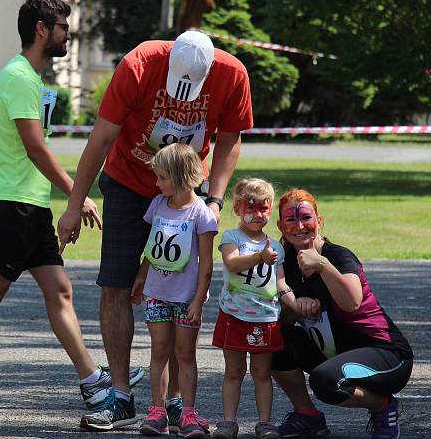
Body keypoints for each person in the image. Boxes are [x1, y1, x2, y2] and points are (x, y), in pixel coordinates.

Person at [0, 0, 142, 413]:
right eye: (62, 27)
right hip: (13, 204)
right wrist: (77, 193)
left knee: (60, 290)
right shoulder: (20, 77)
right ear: (41, 29)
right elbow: (35, 148)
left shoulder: (30, 77)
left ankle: (94, 382)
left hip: (30, 204)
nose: (68, 35)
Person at [58, 30, 252, 429]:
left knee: (180, 296)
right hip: (128, 182)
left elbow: (230, 139)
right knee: (115, 286)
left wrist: (213, 200)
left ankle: (176, 402)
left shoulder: (232, 75)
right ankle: (122, 396)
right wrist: (74, 206)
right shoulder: (139, 65)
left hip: (184, 190)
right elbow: (100, 140)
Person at [272, 189, 413, 439]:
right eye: (291, 219)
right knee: (272, 342)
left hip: (388, 355)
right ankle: (307, 416)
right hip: (337, 352)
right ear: (280, 226)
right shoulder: (287, 263)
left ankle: (383, 406)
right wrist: (294, 306)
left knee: (325, 381)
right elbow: (282, 319)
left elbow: (352, 302)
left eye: (306, 217)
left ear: (319, 220)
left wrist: (322, 265)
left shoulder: (337, 256)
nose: (299, 225)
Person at [111, 144, 216, 436]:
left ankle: (188, 413)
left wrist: (198, 298)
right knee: (158, 350)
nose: (156, 183)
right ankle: (157, 411)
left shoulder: (201, 214)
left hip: (186, 298)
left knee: (185, 354)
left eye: (161, 178)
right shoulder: (158, 204)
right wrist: (142, 276)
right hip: (157, 293)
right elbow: (152, 248)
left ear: (181, 177)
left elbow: (206, 263)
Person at [211, 179, 286, 439]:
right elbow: (232, 264)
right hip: (234, 315)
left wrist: (294, 301)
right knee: (234, 372)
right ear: (237, 209)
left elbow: (280, 282)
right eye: (250, 208)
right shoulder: (231, 238)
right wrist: (258, 257)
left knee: (262, 373)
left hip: (266, 318)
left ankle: (264, 423)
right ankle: (228, 422)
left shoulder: (276, 246)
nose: (257, 214)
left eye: (264, 209)